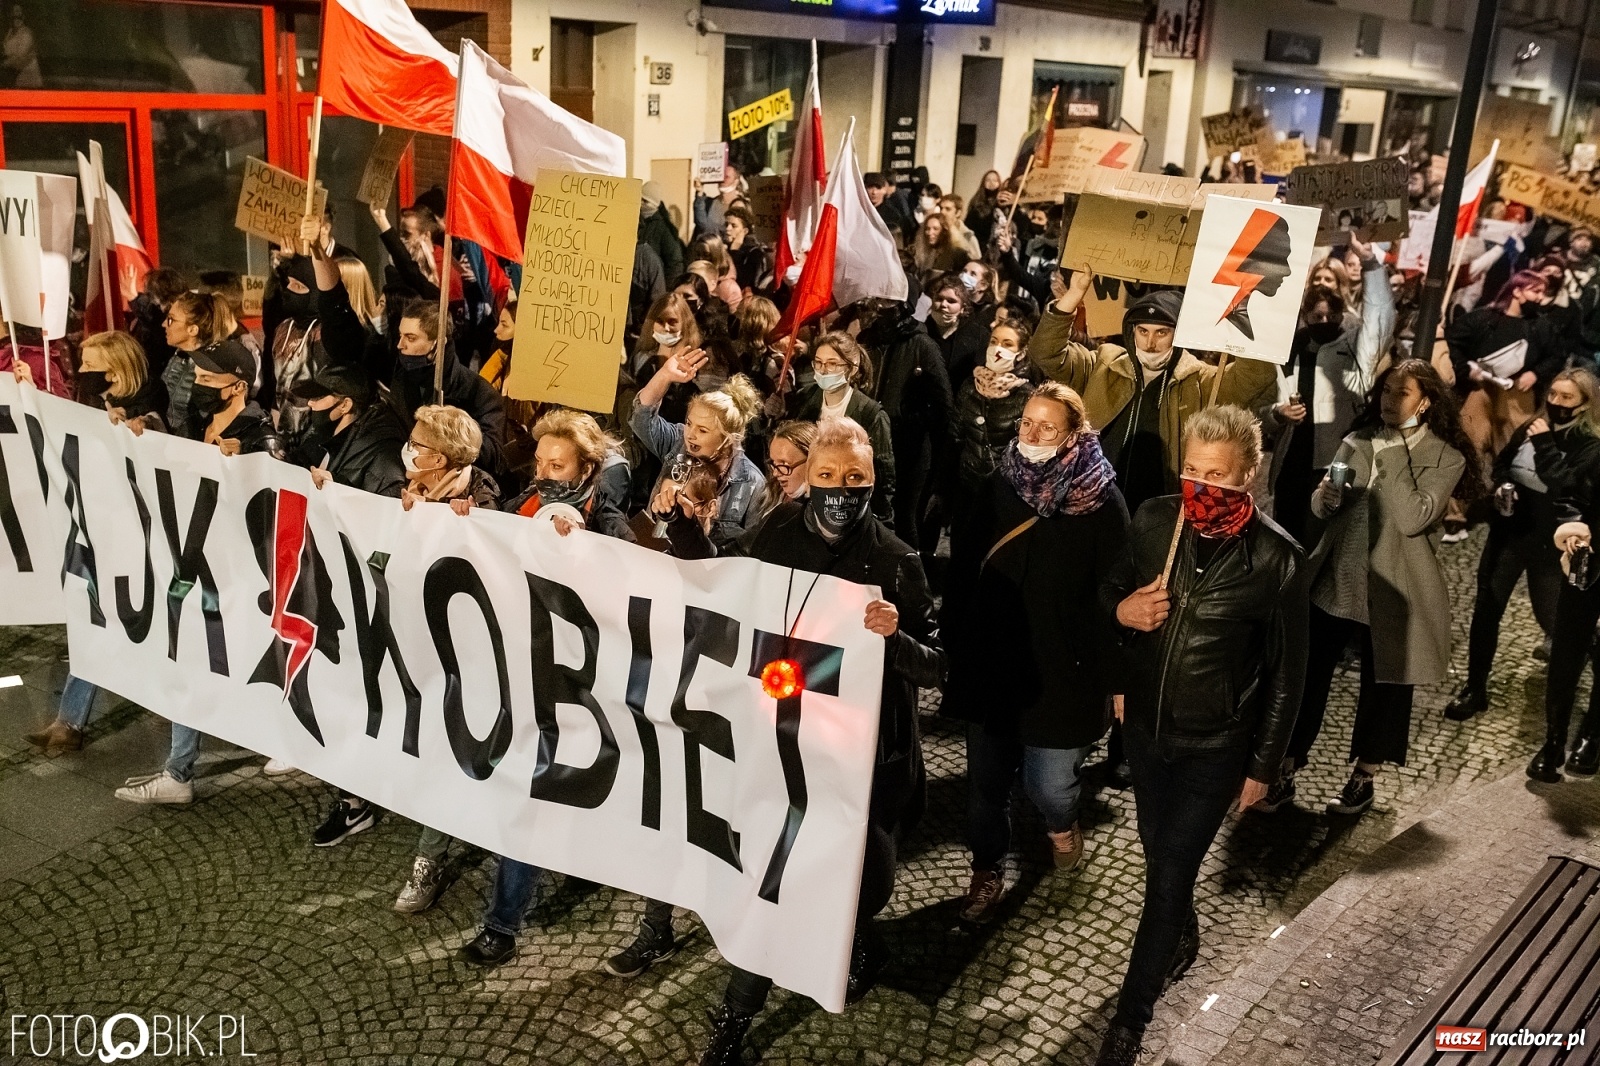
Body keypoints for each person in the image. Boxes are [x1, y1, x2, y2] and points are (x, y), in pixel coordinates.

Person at [651, 417, 943, 1066]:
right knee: (773, 883)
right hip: (785, 748)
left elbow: (937, 665)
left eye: (856, 480)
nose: (842, 491)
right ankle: (737, 1014)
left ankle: (856, 936)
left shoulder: (897, 561)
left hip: (866, 761)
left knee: (867, 880)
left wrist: (895, 639)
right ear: (810, 477)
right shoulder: (779, 531)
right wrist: (681, 531)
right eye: (830, 477)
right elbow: (725, 592)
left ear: (873, 482)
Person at [1095, 405, 1306, 1066]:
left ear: (1249, 474)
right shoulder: (1157, 520)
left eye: (1217, 474)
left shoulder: (1277, 558)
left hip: (1216, 747)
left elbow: (1285, 677)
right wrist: (1124, 617)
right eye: (1191, 469)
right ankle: (1178, 928)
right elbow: (1108, 592)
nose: (1201, 484)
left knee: (1166, 876)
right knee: (1161, 856)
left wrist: (1263, 766)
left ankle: (1130, 1020)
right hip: (1147, 735)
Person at [944, 383, 1128, 923]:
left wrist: (1117, 675)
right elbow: (963, 569)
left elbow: (1114, 591)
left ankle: (1061, 823)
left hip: (1062, 673)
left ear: (1075, 433)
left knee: (1049, 786)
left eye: (1047, 426)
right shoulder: (998, 481)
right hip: (994, 664)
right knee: (986, 785)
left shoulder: (1102, 500)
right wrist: (955, 640)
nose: (1032, 435)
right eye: (1027, 423)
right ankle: (986, 869)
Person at [457, 409, 633, 966]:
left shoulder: (608, 522)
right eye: (539, 462)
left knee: (535, 795)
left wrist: (587, 553)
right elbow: (487, 549)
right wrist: (464, 520)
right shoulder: (522, 506)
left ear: (587, 468)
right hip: (518, 670)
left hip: (574, 687)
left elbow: (630, 588)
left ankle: (502, 924)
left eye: (558, 464)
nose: (544, 472)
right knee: (523, 790)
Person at [1271, 361, 1475, 817]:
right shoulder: (1356, 440)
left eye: (1401, 393)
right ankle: (1285, 767)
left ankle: (1364, 777)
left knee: (1385, 688)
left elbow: (1413, 518)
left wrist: (1393, 456)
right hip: (1336, 582)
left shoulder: (1447, 457)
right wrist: (1325, 496)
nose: (1388, 399)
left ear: (1424, 402)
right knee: (1308, 679)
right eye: (1385, 390)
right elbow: (1323, 510)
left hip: (1396, 591)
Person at [114, 340, 279, 806]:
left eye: (209, 380)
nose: (198, 386)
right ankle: (178, 770)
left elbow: (268, 512)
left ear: (238, 387)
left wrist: (244, 470)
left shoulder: (260, 436)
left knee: (237, 665)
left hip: (235, 580)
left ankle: (283, 742)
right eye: (198, 377)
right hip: (195, 567)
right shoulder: (200, 423)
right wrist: (144, 427)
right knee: (187, 660)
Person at [17, 331, 164, 757]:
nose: (80, 373)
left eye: (87, 366)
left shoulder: (148, 407)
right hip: (95, 532)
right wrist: (31, 393)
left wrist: (139, 431)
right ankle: (69, 721)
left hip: (135, 540)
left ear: (114, 370)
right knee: (93, 625)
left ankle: (169, 709)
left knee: (139, 628)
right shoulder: (93, 405)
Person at [1034, 269, 1279, 514]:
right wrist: (1074, 295)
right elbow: (1045, 352)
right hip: (1089, 503)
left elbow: (1257, 374)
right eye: (1143, 331)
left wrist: (1241, 312)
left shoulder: (1201, 381)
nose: (1150, 343)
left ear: (1179, 334)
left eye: (1161, 332)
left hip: (1158, 512)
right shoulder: (1103, 363)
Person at [392, 405, 501, 912]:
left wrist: (472, 521)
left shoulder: (484, 499)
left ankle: (432, 857)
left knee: (453, 749)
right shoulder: (408, 489)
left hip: (475, 657)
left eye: (418, 445)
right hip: (425, 646)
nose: (408, 450)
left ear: (442, 459)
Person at [1449, 370, 1600, 720]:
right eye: (1553, 395)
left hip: (1551, 545)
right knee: (1487, 608)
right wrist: (1503, 486)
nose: (1556, 403)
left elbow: (1565, 485)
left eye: (1566, 398)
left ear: (1584, 406)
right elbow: (1502, 465)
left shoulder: (1589, 446)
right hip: (1510, 535)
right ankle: (1475, 687)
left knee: (1557, 621)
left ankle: (1578, 698)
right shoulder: (1531, 426)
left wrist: (1546, 443)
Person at [1261, 235, 1393, 544]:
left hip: (1333, 463)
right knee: (1285, 540)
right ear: (1304, 316)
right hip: (1291, 464)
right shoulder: (1288, 350)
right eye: (1316, 317)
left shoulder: (1354, 348)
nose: (1323, 322)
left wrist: (1371, 264)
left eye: (1331, 317)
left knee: (1321, 541)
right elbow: (1261, 409)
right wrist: (1278, 414)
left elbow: (1381, 319)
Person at [1530, 392, 1600, 780]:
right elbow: (1573, 493)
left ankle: (1591, 738)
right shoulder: (1598, 452)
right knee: (1566, 653)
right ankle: (1554, 740)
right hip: (1590, 565)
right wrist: (1573, 530)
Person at [630, 350, 765, 547]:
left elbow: (751, 549)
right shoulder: (677, 442)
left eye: (702, 430)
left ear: (728, 438)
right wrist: (664, 375)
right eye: (689, 423)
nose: (690, 434)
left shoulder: (752, 483)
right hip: (656, 558)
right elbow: (641, 420)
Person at [386, 298, 507, 477]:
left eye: (411, 338)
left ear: (437, 344)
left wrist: (449, 437)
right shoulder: (399, 378)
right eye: (400, 336)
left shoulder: (479, 393)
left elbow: (494, 457)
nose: (400, 345)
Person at [792, 332, 895, 521]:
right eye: (818, 363)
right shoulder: (805, 401)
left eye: (832, 364)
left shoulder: (870, 413)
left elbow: (883, 472)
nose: (823, 371)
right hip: (810, 501)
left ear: (852, 369)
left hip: (850, 504)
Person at [950, 318, 1037, 510]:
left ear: (1021, 353)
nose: (998, 349)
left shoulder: (1027, 396)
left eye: (1007, 344)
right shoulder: (970, 387)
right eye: (994, 341)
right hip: (967, 490)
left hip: (1005, 493)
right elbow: (955, 438)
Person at [160, 291, 234, 438]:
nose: (163, 324)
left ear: (193, 329)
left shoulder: (214, 369)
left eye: (171, 320)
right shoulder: (177, 357)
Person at [639, 180, 687, 281]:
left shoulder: (664, 229)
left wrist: (665, 292)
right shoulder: (637, 222)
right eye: (640, 199)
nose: (641, 203)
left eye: (645, 201)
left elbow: (675, 264)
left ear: (653, 204)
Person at [722, 205, 767, 293]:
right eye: (726, 224)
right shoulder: (723, 248)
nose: (728, 229)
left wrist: (735, 252)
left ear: (745, 231)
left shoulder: (754, 253)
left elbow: (741, 281)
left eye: (734, 226)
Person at [913, 213, 966, 279]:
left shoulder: (957, 254)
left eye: (935, 229)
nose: (930, 233)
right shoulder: (922, 254)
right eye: (927, 229)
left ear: (944, 231)